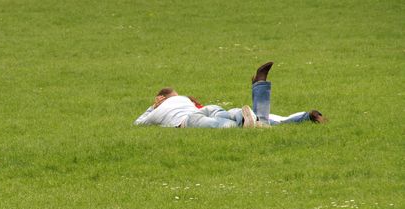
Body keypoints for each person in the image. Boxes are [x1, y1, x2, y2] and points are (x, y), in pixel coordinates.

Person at [134, 62, 325, 128]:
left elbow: (138, 124)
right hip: (209, 109)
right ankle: (305, 117)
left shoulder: (157, 111)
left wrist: (153, 106)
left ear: (161, 98)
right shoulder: (185, 100)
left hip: (190, 120)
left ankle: (256, 106)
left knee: (225, 126)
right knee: (235, 114)